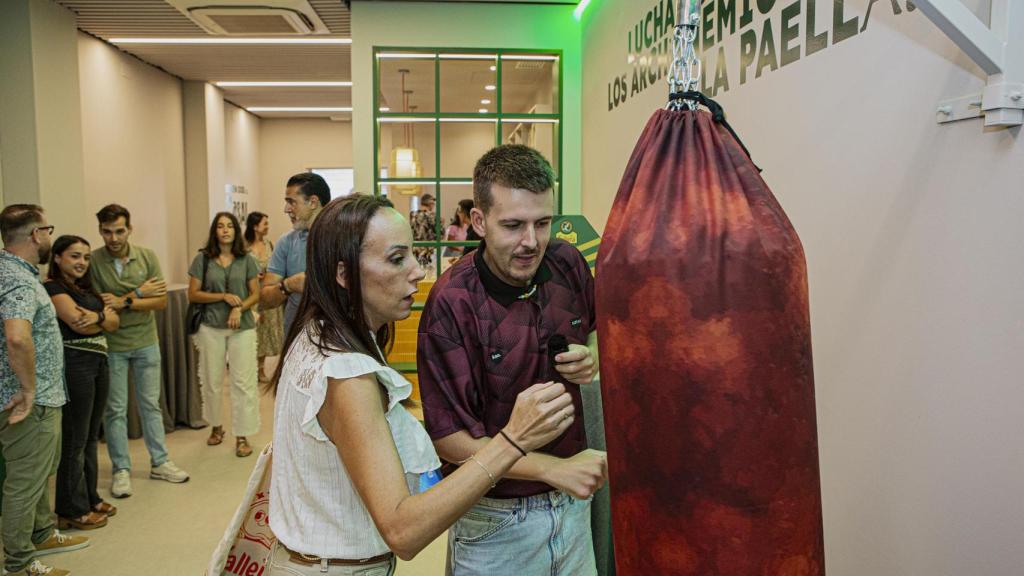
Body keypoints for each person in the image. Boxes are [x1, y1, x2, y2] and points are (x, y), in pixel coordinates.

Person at [266, 194, 575, 576]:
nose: (416, 271)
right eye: (396, 259)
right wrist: (513, 439)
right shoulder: (347, 377)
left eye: (413, 254)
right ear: (343, 275)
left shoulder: (317, 333)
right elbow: (403, 530)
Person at [417, 145, 607, 576]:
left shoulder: (568, 262)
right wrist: (554, 469)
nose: (531, 241)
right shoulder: (452, 301)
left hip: (572, 507)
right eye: (513, 225)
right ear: (479, 222)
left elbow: (597, 332)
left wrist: (591, 356)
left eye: (543, 223)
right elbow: (452, 442)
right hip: (495, 522)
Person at [1, 205, 88, 576]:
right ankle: (20, 562)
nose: (49, 236)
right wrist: (29, 389)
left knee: (38, 472)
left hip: (41, 395)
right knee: (24, 480)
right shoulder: (18, 279)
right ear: (36, 234)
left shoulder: (12, 272)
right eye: (47, 229)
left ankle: (40, 533)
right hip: (29, 401)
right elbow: (17, 336)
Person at [89, 204, 189, 498]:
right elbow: (100, 305)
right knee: (115, 410)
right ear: (100, 231)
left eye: (119, 230)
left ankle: (160, 462)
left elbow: (160, 303)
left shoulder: (146, 256)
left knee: (151, 405)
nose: (114, 237)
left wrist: (125, 301)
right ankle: (121, 469)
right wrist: (139, 293)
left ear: (129, 229)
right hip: (113, 345)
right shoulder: (94, 261)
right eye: (107, 231)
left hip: (146, 341)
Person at [45, 235, 121, 531]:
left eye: (86, 257)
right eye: (75, 256)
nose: (82, 263)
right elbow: (75, 319)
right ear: (58, 258)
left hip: (98, 362)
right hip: (75, 365)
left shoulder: (86, 288)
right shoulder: (52, 287)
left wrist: (99, 317)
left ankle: (90, 497)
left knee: (91, 435)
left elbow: (115, 323)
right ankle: (70, 509)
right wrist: (103, 315)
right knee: (75, 439)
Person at [188, 212, 261, 458]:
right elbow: (193, 294)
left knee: (244, 382)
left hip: (243, 328)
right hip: (211, 327)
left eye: (229, 226)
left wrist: (240, 308)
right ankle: (216, 426)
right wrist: (222, 297)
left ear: (236, 231)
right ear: (214, 231)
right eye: (220, 226)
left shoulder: (247, 259)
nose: (225, 230)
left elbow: (256, 293)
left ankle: (243, 435)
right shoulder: (203, 259)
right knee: (211, 379)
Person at [260, 172, 330, 337]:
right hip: (295, 339)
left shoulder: (343, 240)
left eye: (292, 202)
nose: (286, 209)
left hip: (336, 339)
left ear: (313, 202)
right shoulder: (286, 242)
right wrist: (289, 285)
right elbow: (264, 298)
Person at [244, 212, 283, 383]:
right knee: (254, 330)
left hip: (267, 292)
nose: (267, 227)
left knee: (267, 331)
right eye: (264, 223)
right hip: (250, 293)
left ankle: (261, 368)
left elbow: (276, 268)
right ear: (255, 226)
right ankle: (249, 367)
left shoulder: (269, 244)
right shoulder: (244, 247)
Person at [409, 193, 437, 270]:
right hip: (427, 252)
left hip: (415, 250)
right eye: (433, 203)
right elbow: (439, 235)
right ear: (430, 204)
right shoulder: (432, 217)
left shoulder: (412, 215)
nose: (433, 205)